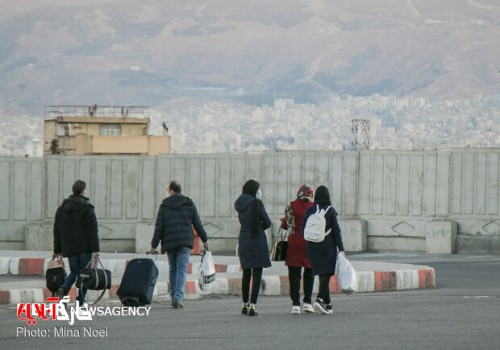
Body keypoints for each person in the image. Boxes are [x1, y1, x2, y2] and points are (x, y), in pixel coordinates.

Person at [150, 180, 208, 309]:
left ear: (171, 190)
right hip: (185, 242)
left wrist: (154, 245)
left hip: (170, 243)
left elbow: (159, 227)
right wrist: (205, 239)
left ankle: (173, 296)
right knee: (182, 269)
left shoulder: (164, 206)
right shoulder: (189, 203)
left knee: (173, 268)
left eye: (167, 189)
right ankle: (178, 298)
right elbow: (197, 223)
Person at [53, 180, 100, 305]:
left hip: (69, 247)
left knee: (74, 271)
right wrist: (96, 250)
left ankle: (63, 289)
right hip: (85, 247)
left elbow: (57, 230)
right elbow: (92, 230)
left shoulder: (62, 208)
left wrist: (57, 250)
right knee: (85, 274)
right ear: (82, 191)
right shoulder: (87, 207)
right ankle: (81, 300)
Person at [303, 185, 346, 315]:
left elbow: (303, 229)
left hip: (312, 246)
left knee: (322, 274)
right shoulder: (330, 210)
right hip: (327, 246)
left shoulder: (310, 210)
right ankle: (319, 299)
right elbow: (336, 231)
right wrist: (341, 248)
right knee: (326, 273)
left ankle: (328, 305)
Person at [234, 180, 272, 316]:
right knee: (257, 273)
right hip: (257, 240)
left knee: (246, 272)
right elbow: (267, 222)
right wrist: (260, 224)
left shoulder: (239, 204)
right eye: (258, 189)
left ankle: (244, 304)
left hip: (244, 240)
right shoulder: (257, 203)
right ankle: (253, 306)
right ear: (253, 190)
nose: (259, 192)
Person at [280, 183, 315, 314]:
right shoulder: (314, 208)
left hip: (294, 244)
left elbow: (285, 226)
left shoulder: (291, 206)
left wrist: (282, 220)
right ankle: (307, 302)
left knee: (294, 275)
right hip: (309, 244)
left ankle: (295, 304)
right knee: (309, 273)